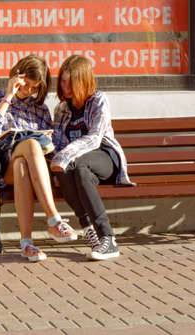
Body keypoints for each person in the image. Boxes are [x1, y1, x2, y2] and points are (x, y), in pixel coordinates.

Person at [0, 54, 77, 262]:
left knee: (23, 162)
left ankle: (26, 244)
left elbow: (51, 144)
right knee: (30, 143)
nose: (29, 91)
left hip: (24, 170)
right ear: (16, 77)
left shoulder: (39, 109)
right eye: (26, 85)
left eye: (35, 87)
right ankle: (54, 219)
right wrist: (8, 97)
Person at [50, 55, 134, 260]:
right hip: (79, 169)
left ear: (83, 81)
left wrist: (64, 156)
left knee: (71, 162)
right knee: (68, 168)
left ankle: (108, 238)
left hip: (104, 158)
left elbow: (95, 137)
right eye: (63, 81)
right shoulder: (61, 109)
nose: (66, 86)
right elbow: (58, 142)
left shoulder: (98, 100)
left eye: (71, 82)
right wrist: (57, 160)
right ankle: (89, 229)